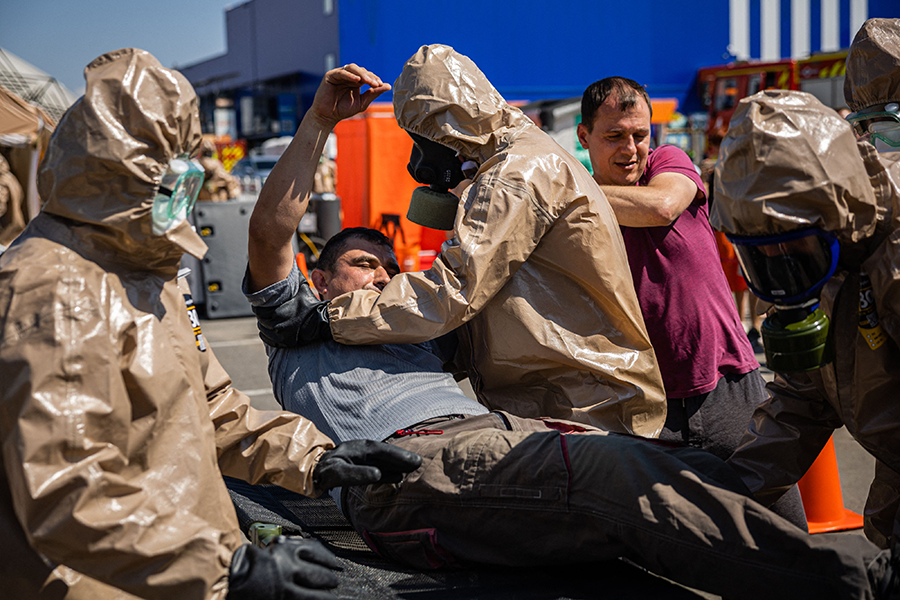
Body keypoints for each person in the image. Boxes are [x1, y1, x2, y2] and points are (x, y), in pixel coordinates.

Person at [245, 222, 898, 600]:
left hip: (481, 444)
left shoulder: (410, 331)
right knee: (625, 478)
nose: (381, 276)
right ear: (320, 279)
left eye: (389, 266)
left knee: (674, 481)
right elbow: (272, 224)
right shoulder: (298, 328)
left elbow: (494, 303)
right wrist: (323, 120)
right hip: (409, 460)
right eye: (363, 266)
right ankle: (866, 586)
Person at [0, 48, 420, 600]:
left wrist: (317, 458)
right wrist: (225, 567)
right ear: (118, 171)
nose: (186, 186)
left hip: (185, 566)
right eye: (169, 168)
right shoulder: (52, 291)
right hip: (103, 582)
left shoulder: (149, 275)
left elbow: (211, 409)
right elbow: (68, 492)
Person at [251, 44, 667, 438]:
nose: (418, 162)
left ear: (449, 126)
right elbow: (485, 307)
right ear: (320, 280)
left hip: (585, 410)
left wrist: (328, 318)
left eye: (422, 140)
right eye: (363, 264)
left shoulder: (519, 172)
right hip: (555, 410)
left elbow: (453, 291)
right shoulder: (511, 166)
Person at [575, 76, 806, 528]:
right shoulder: (570, 202)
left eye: (639, 135)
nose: (630, 149)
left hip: (726, 386)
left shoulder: (669, 162)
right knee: (664, 547)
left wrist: (560, 192)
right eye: (614, 136)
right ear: (584, 136)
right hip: (642, 404)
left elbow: (661, 206)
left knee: (786, 536)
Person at [711, 86, 900, 550]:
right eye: (762, 255)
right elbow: (802, 403)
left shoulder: (891, 256)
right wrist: (721, 498)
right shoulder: (830, 251)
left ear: (835, 213)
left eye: (790, 247)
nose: (782, 263)